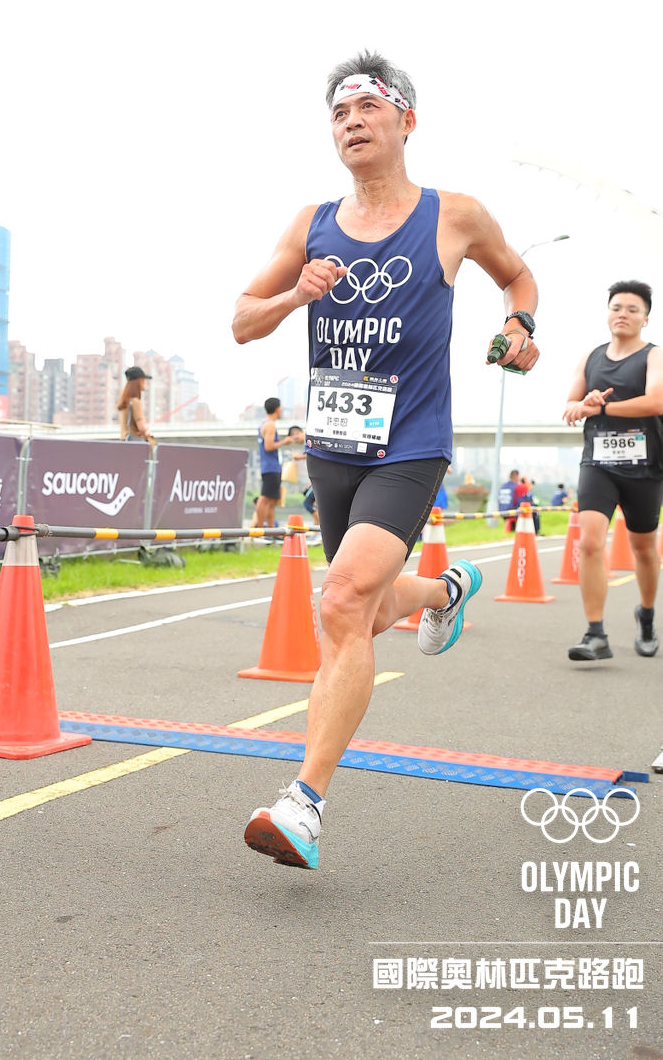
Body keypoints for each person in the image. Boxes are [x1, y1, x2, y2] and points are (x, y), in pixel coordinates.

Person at [232, 49, 540, 869]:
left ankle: (303, 804)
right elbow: (241, 320)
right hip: (334, 447)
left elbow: (517, 279)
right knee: (358, 614)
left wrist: (519, 327)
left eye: (366, 107)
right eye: (338, 113)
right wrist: (296, 294)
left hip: (410, 443)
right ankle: (443, 590)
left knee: (339, 601)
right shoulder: (310, 224)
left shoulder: (453, 215)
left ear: (406, 120)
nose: (351, 123)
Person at [563, 280, 663, 662]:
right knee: (589, 542)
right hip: (598, 464)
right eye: (617, 307)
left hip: (645, 467)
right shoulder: (591, 357)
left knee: (644, 549)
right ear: (608, 313)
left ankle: (647, 616)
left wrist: (602, 407)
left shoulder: (654, 356)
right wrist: (582, 404)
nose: (623, 314)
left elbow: (656, 401)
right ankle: (595, 634)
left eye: (632, 309)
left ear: (645, 318)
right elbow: (570, 406)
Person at [251, 397, 296, 529]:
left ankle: (270, 531)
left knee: (272, 500)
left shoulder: (264, 424)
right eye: (281, 407)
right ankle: (260, 530)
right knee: (265, 498)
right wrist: (284, 442)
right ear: (277, 408)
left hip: (271, 467)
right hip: (271, 467)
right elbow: (269, 446)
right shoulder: (270, 425)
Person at [117, 366, 155, 448]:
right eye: (143, 380)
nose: (144, 382)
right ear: (140, 380)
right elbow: (142, 428)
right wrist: (147, 430)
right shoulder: (135, 402)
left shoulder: (124, 402)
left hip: (124, 443)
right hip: (136, 445)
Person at [497, 468, 523, 532]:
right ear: (516, 476)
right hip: (512, 512)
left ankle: (512, 529)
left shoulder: (502, 486)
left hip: (502, 512)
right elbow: (520, 501)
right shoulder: (516, 487)